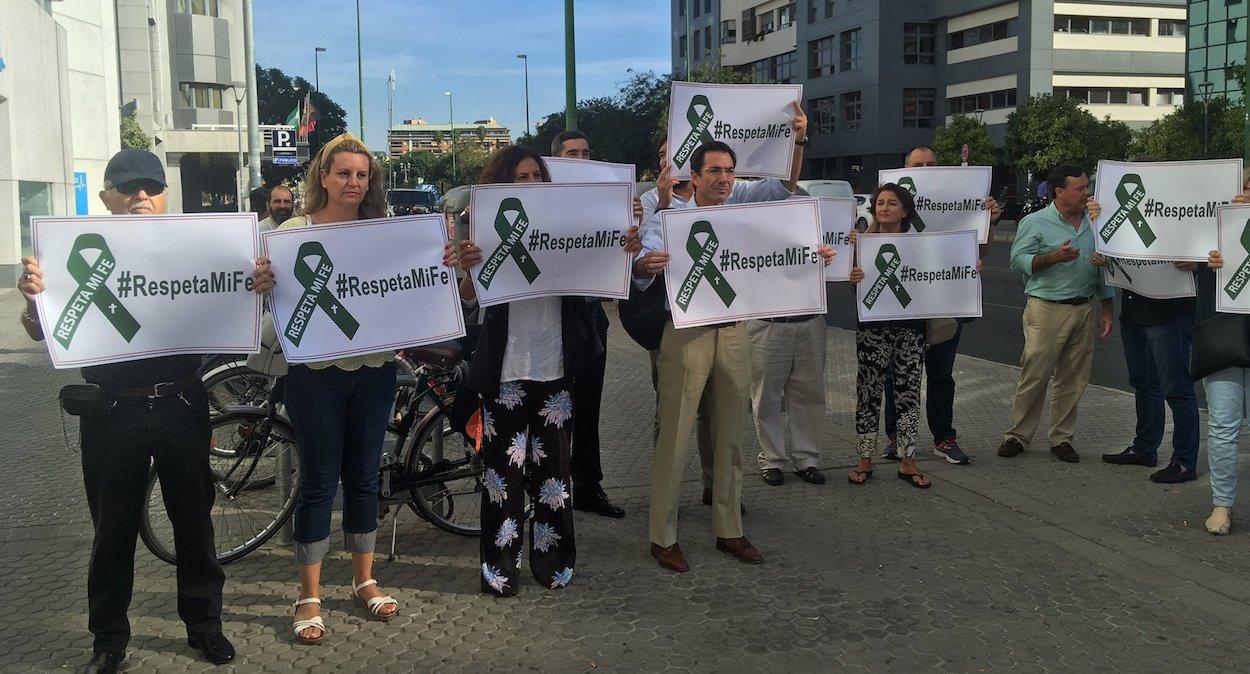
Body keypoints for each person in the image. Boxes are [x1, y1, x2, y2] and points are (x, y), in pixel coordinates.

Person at [18, 149, 233, 672]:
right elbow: (43, 332)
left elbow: (231, 300)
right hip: (113, 413)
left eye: (151, 187)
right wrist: (33, 302)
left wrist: (256, 289)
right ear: (107, 196)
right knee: (112, 531)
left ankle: (204, 625)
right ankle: (108, 640)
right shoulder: (77, 252)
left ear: (164, 195)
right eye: (129, 187)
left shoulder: (198, 248)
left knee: (194, 522)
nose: (141, 196)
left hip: (182, 401)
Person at [253, 133, 458, 642]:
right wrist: (260, 283)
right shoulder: (293, 233)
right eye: (343, 173)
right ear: (322, 176)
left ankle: (365, 580)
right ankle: (309, 594)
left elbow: (412, 283)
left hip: (374, 369)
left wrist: (445, 266)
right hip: (314, 375)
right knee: (320, 480)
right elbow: (269, 298)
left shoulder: (383, 233)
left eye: (362, 175)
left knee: (365, 477)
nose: (353, 182)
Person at [635, 102, 832, 572]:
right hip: (685, 334)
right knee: (676, 436)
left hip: (737, 333)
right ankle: (663, 536)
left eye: (729, 171)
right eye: (714, 171)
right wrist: (646, 265)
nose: (723, 178)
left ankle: (729, 529)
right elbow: (640, 271)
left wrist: (812, 258)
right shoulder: (668, 219)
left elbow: (781, 238)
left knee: (730, 437)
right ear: (696, 176)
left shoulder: (745, 214)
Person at [455, 145, 642, 596]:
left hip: (555, 366)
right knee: (504, 475)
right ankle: (499, 565)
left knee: (554, 472)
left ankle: (553, 557)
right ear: (504, 185)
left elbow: (599, 265)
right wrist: (468, 270)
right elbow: (467, 299)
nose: (532, 185)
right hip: (506, 369)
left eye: (537, 176)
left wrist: (624, 247)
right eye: (521, 178)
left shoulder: (563, 230)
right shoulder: (486, 233)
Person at [879, 146, 1001, 465]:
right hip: (903, 308)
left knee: (941, 376)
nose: (925, 169)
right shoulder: (892, 207)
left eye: (931, 164)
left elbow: (980, 252)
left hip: (945, 304)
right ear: (905, 170)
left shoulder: (956, 203)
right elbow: (872, 246)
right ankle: (896, 437)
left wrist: (990, 221)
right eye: (918, 165)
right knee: (898, 376)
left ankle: (943, 439)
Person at [997, 164, 1114, 462]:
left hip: (1084, 308)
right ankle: (1018, 435)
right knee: (1034, 374)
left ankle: (1061, 438)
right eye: (1080, 188)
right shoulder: (1035, 222)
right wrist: (1052, 258)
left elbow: (1103, 268)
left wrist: (1107, 308)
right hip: (1046, 308)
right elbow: (1018, 261)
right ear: (1060, 192)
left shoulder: (1095, 223)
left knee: (1072, 379)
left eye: (1087, 187)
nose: (1086, 193)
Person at [550, 129, 626, 518]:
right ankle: (552, 487)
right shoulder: (544, 204)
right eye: (571, 153)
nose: (581, 159)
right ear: (557, 161)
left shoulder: (606, 204)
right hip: (554, 318)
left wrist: (629, 231)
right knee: (556, 408)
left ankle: (587, 485)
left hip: (592, 316)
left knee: (589, 407)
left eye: (586, 152)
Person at [846, 184, 933, 489]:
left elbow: (934, 280)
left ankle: (908, 460)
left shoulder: (919, 245)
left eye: (891, 203)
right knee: (869, 394)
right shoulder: (862, 244)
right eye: (879, 203)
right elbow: (854, 289)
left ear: (905, 210)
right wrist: (854, 278)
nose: (883, 208)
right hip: (873, 329)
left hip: (910, 330)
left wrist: (966, 271)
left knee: (908, 394)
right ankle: (864, 459)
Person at [1196, 175, 1250, 535]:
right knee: (1223, 427)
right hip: (1224, 339)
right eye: (1246, 188)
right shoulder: (1212, 231)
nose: (1246, 196)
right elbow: (1180, 263)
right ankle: (1222, 506)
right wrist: (1208, 262)